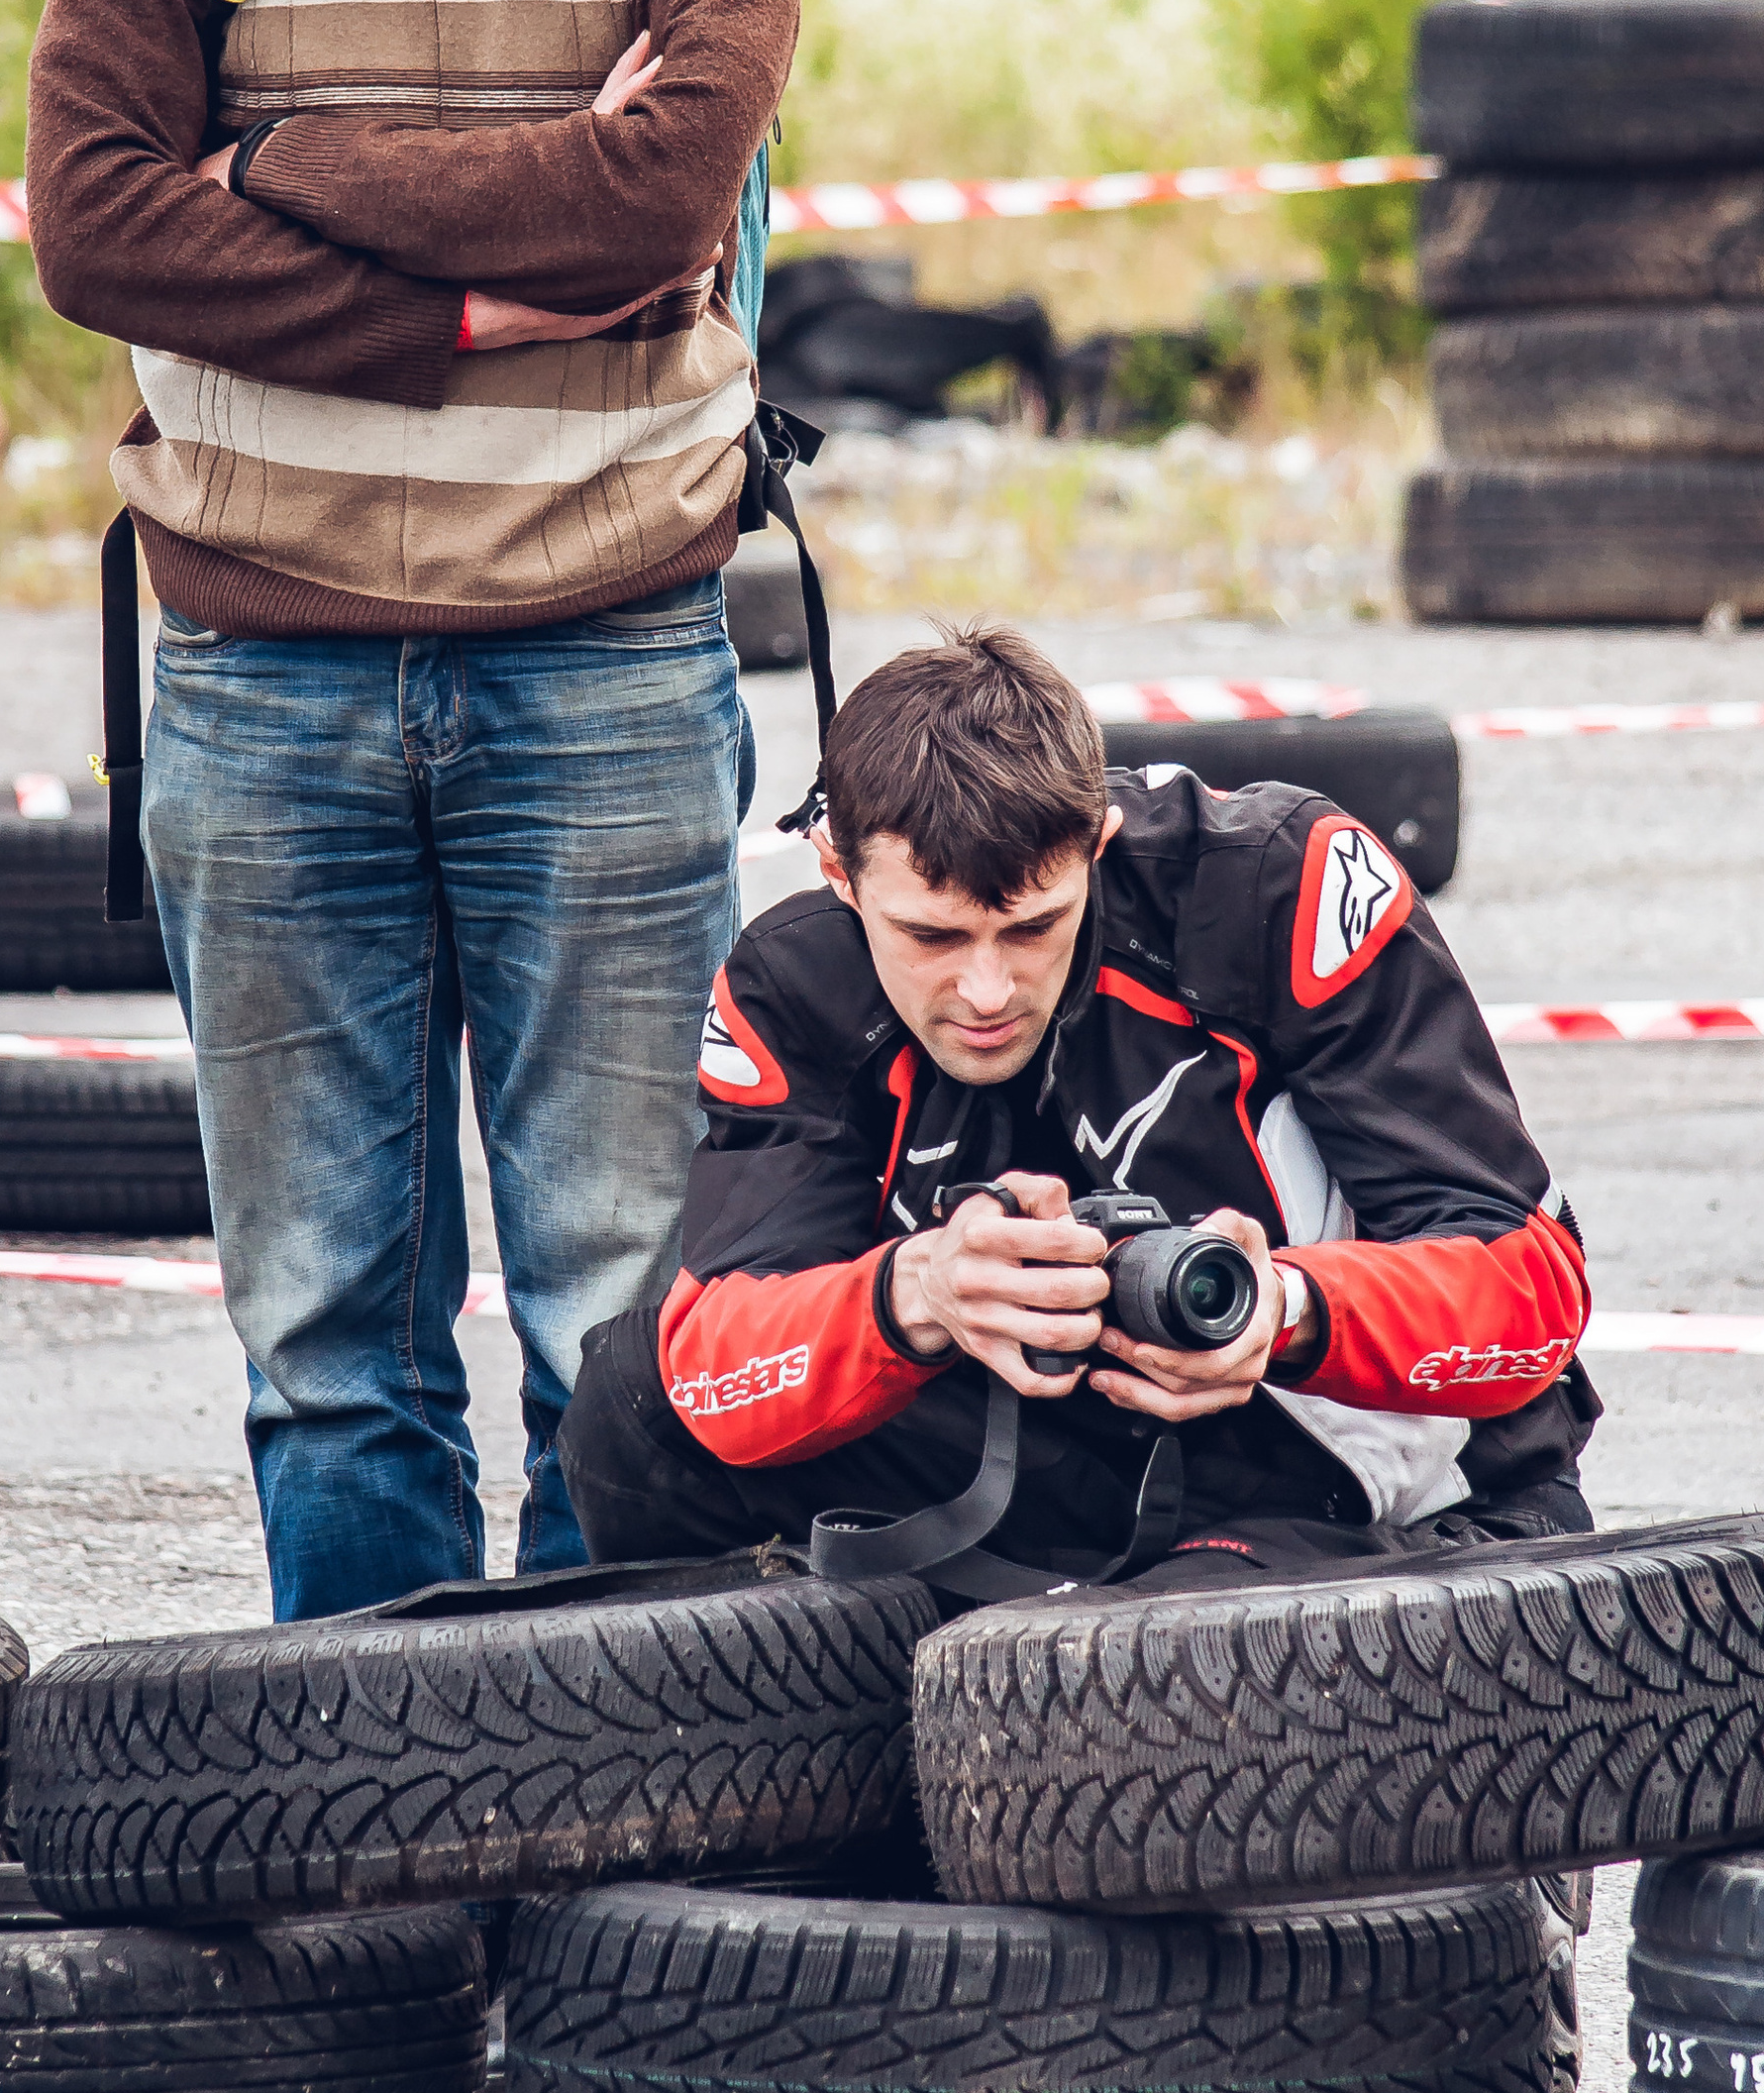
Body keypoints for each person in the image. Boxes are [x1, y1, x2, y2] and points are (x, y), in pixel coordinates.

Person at [25, 0, 814, 1620]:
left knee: (618, 1316)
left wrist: (272, 168)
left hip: (601, 660)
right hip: (255, 683)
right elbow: (91, 226)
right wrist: (479, 289)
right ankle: (370, 1826)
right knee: (324, 1344)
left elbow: (660, 191)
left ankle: (618, 1820)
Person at [561, 624, 1599, 1586]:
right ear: (839, 872)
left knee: (1172, 1678)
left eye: (1031, 927)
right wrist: (914, 1294)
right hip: (1044, 1446)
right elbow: (714, 1366)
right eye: (931, 937)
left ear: (1096, 844)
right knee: (625, 1410)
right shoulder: (790, 985)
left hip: (1327, 1449)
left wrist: (1286, 1305)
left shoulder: (1280, 887)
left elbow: (1535, 1291)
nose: (984, 991)